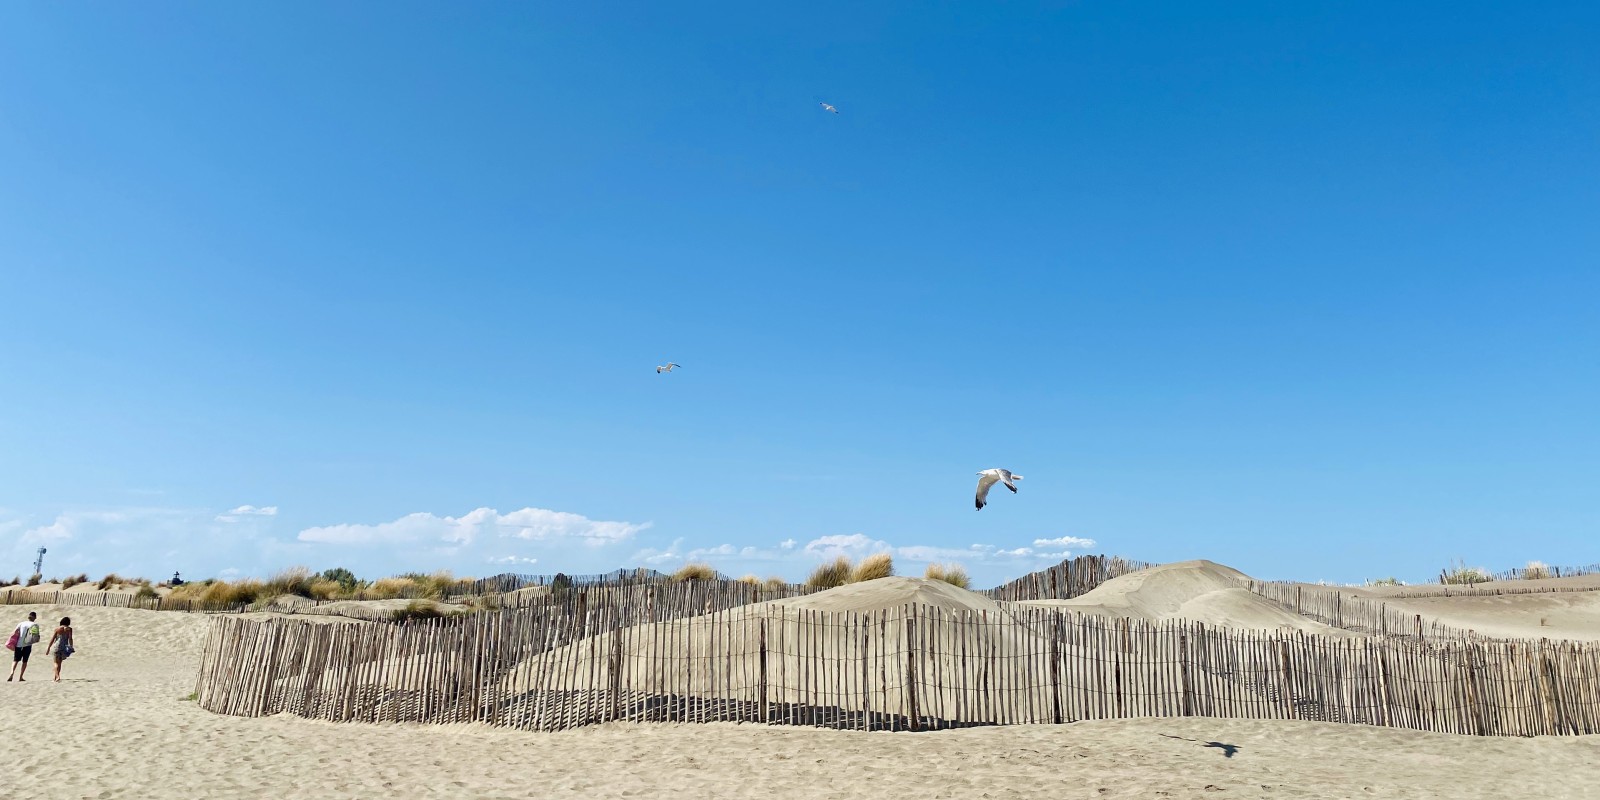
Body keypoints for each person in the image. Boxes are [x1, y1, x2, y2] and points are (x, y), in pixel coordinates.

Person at [8, 612, 41, 682]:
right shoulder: (34, 625)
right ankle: (20, 677)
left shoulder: (21, 623)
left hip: (18, 644)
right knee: (25, 661)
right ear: (35, 617)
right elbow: (35, 636)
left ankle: (12, 673)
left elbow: (14, 632)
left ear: (28, 617)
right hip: (27, 645)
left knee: (15, 660)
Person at [45, 617, 75, 682]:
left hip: (57, 646)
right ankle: (55, 678)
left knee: (55, 663)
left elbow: (52, 639)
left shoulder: (57, 629)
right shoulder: (69, 629)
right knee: (60, 663)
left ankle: (57, 677)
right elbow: (70, 638)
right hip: (64, 647)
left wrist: (48, 648)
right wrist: (71, 646)